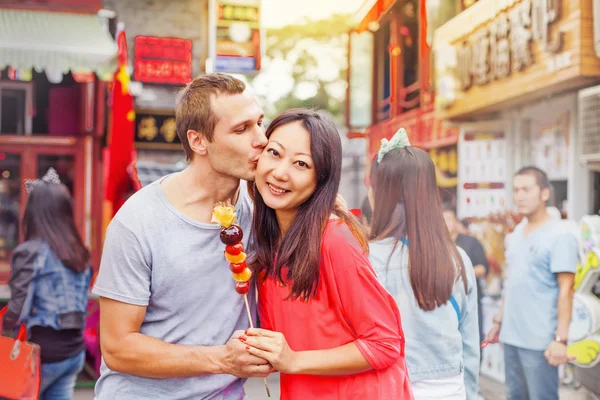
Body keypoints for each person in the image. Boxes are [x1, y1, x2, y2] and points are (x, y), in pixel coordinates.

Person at [92, 73, 272, 399]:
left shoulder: (263, 210)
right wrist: (222, 360)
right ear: (198, 141)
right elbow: (117, 348)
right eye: (241, 129)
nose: (261, 139)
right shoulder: (138, 221)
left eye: (260, 123)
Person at [242, 109, 413, 399]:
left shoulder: (334, 240)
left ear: (321, 180)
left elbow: (385, 343)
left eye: (301, 163)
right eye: (274, 153)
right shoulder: (268, 247)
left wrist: (294, 360)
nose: (280, 172)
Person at [367, 129, 480, 400]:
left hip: (393, 387)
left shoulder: (367, 258)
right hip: (451, 388)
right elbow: (470, 343)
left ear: (381, 194)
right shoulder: (457, 258)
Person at [486, 166, 578, 400]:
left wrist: (560, 340)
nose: (519, 196)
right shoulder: (516, 234)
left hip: (540, 343)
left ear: (545, 193)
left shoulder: (561, 234)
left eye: (527, 189)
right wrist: (499, 320)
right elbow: (513, 282)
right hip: (511, 338)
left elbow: (566, 290)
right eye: (516, 190)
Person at [3, 168, 92, 399]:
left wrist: (6, 323)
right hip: (73, 353)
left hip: (39, 353)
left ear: (33, 213)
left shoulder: (29, 252)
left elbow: (18, 310)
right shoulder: (79, 251)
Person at [443, 204, 489, 344]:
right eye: (442, 219)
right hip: (445, 302)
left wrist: (459, 274)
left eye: (449, 218)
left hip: (470, 299)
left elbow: (483, 267)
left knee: (472, 339)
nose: (445, 222)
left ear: (456, 222)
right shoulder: (437, 244)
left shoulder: (470, 242)